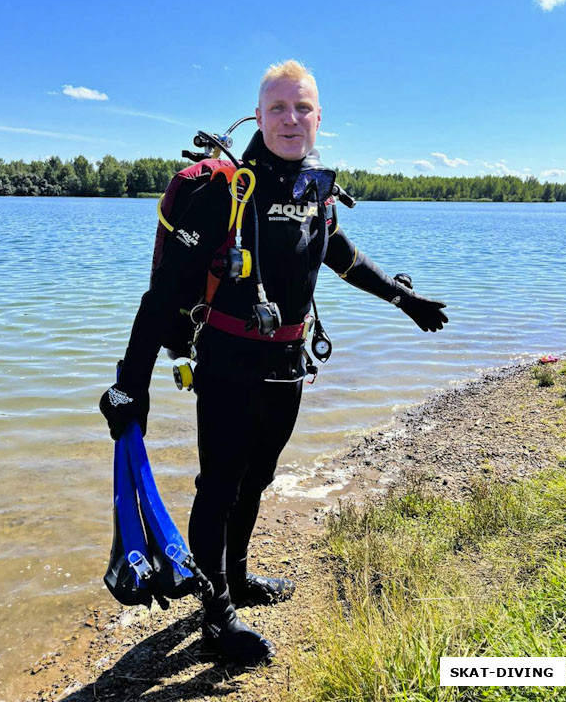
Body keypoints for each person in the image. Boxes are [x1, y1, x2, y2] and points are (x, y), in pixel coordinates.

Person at [100, 60, 448, 665]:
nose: (292, 119)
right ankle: (215, 616)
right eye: (279, 108)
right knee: (219, 486)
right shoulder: (220, 192)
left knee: (257, 479)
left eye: (303, 108)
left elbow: (337, 252)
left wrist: (401, 295)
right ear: (258, 116)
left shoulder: (316, 187)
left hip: (289, 361)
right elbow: (162, 296)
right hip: (229, 361)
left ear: (320, 119)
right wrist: (133, 383)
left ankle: (235, 579)